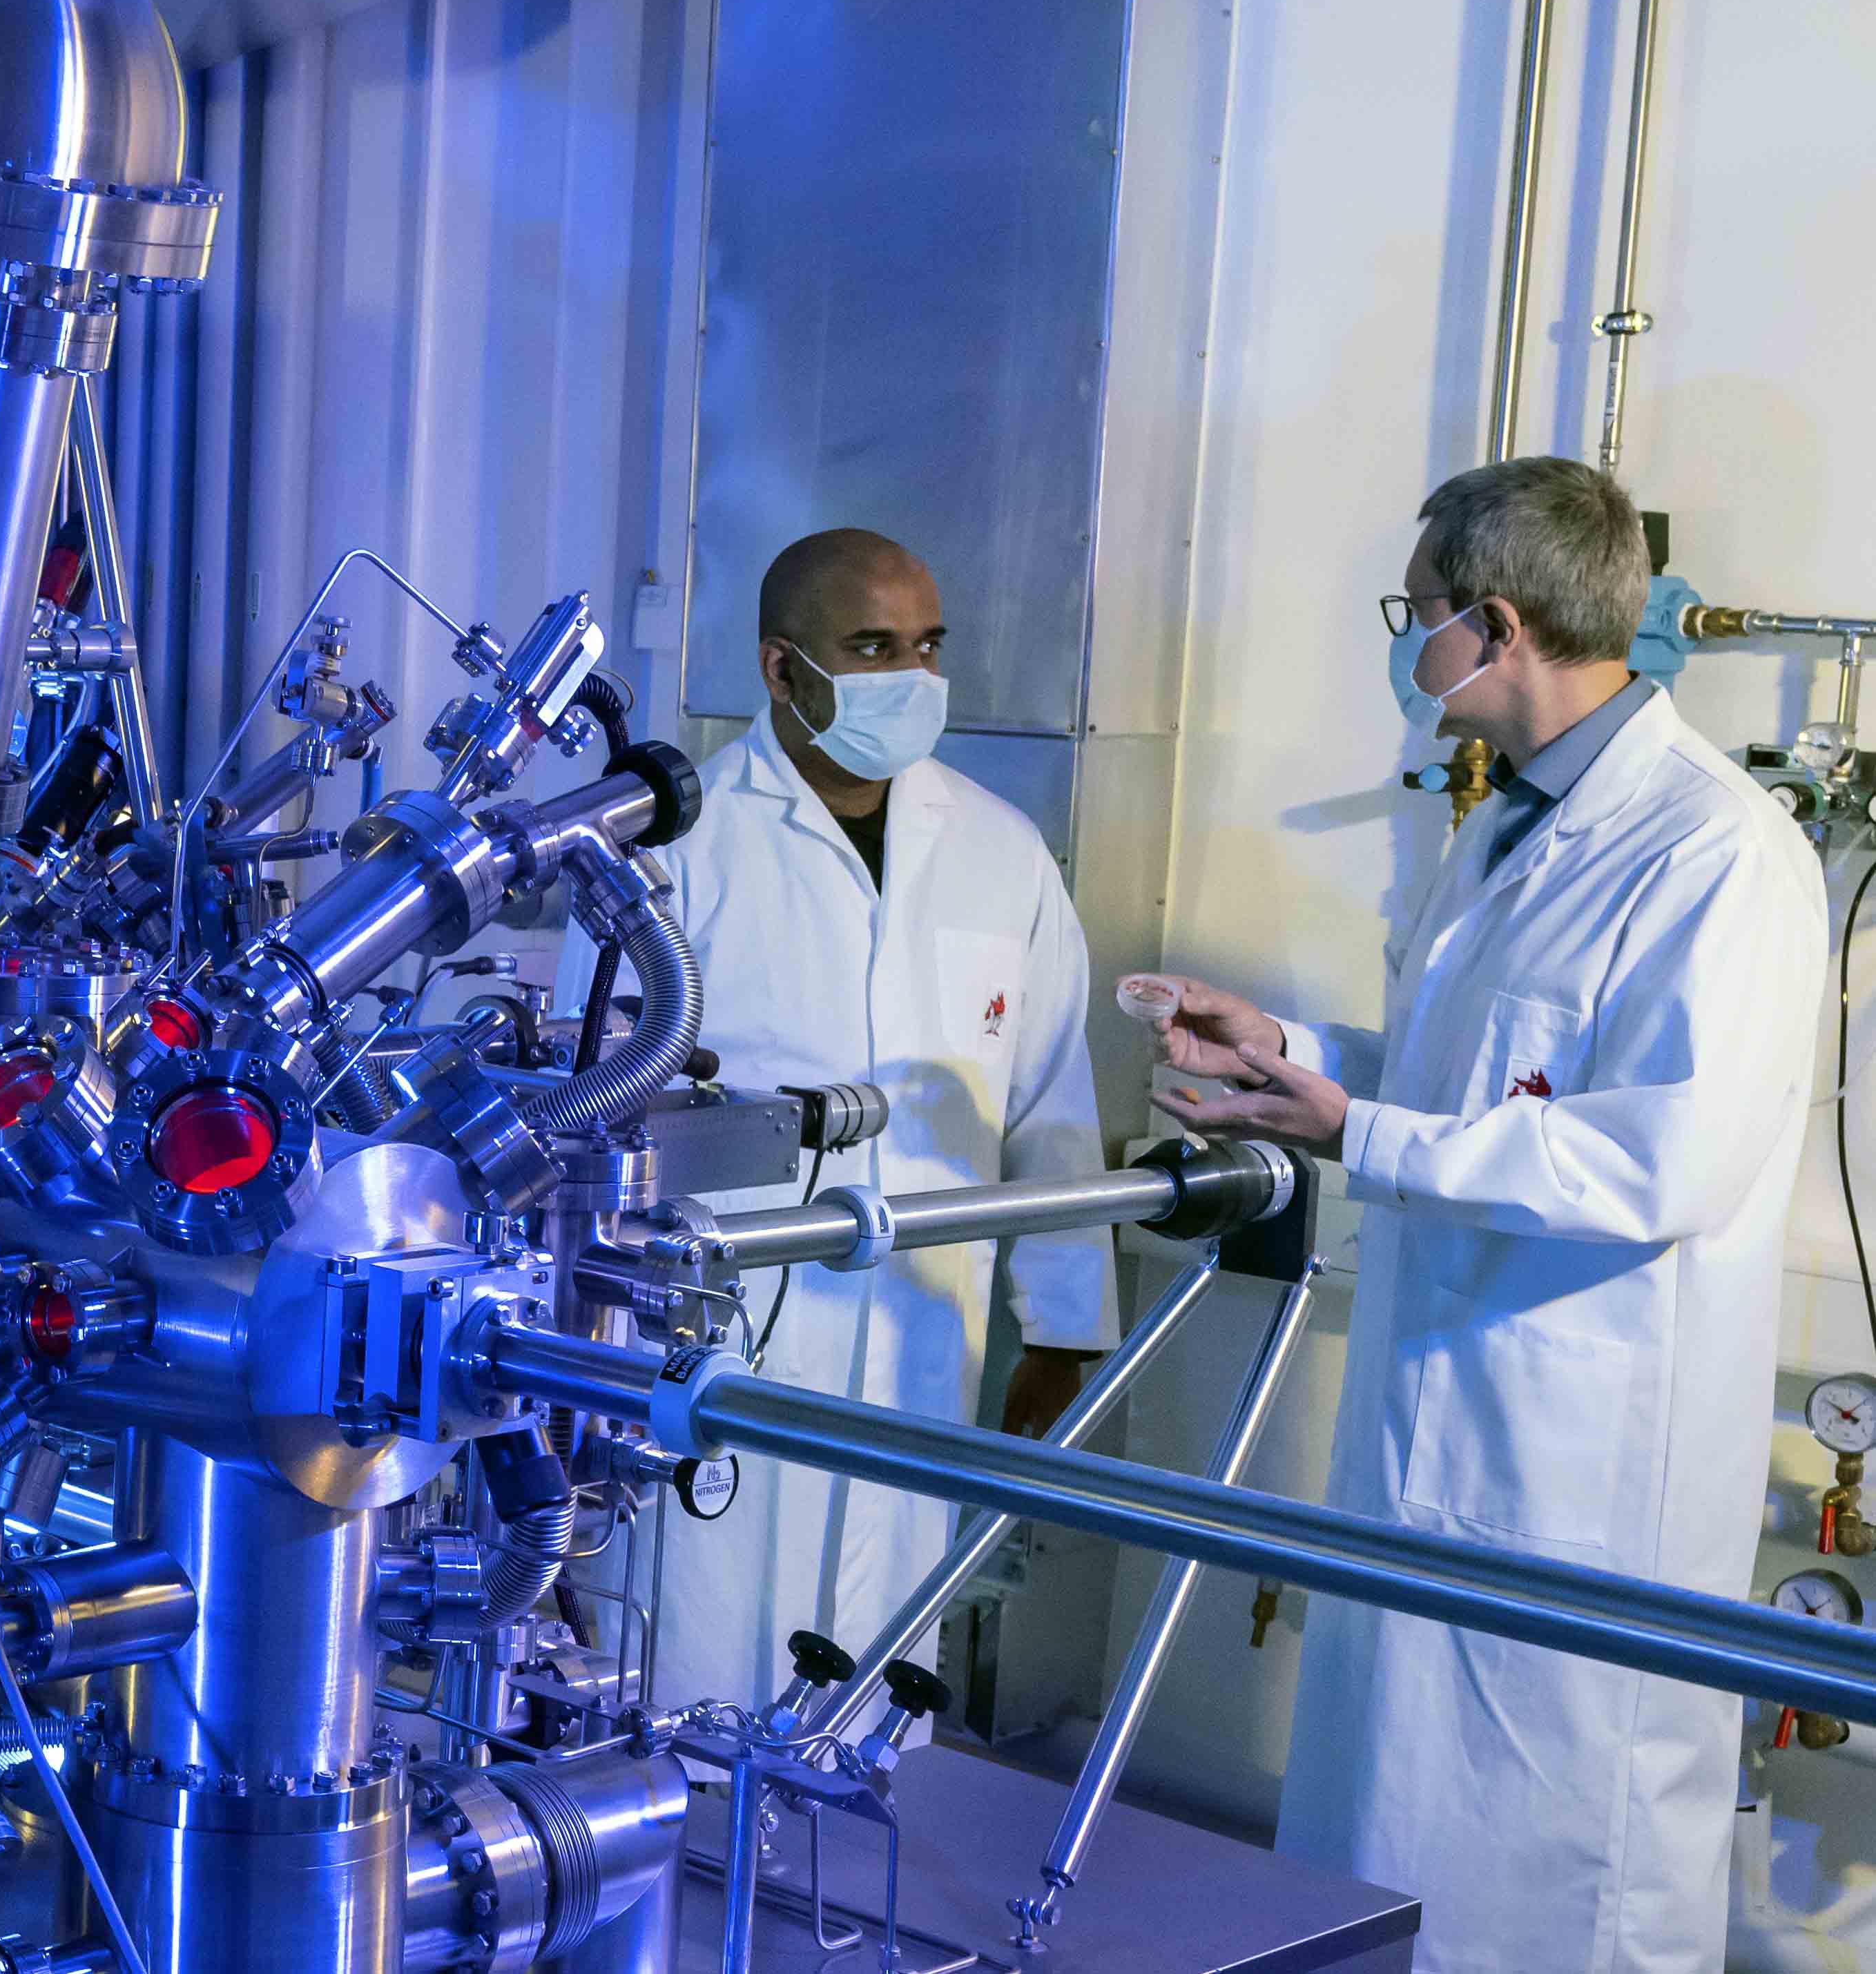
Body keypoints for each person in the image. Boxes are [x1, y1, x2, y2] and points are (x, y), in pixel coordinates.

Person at [1137, 458, 1822, 1974]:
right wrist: (1287, 1051)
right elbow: (1482, 1082)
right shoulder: (1508, 821)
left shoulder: (1713, 853)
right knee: (1393, 1852)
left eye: (1420, 614)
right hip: (1441, 1434)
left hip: (1580, 1477)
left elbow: (1663, 1164)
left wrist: (1354, 1131)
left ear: (1496, 625)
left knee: (1563, 1890)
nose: (1411, 645)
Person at [628, 528, 1116, 1714]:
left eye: (927, 646)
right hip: (723, 1329)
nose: (912, 677)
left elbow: (1047, 1100)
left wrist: (1063, 1328)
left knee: (879, 1663)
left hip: (918, 1332)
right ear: (780, 667)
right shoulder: (680, 845)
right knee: (692, 1651)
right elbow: (601, 1098)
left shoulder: (998, 850)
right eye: (871, 648)